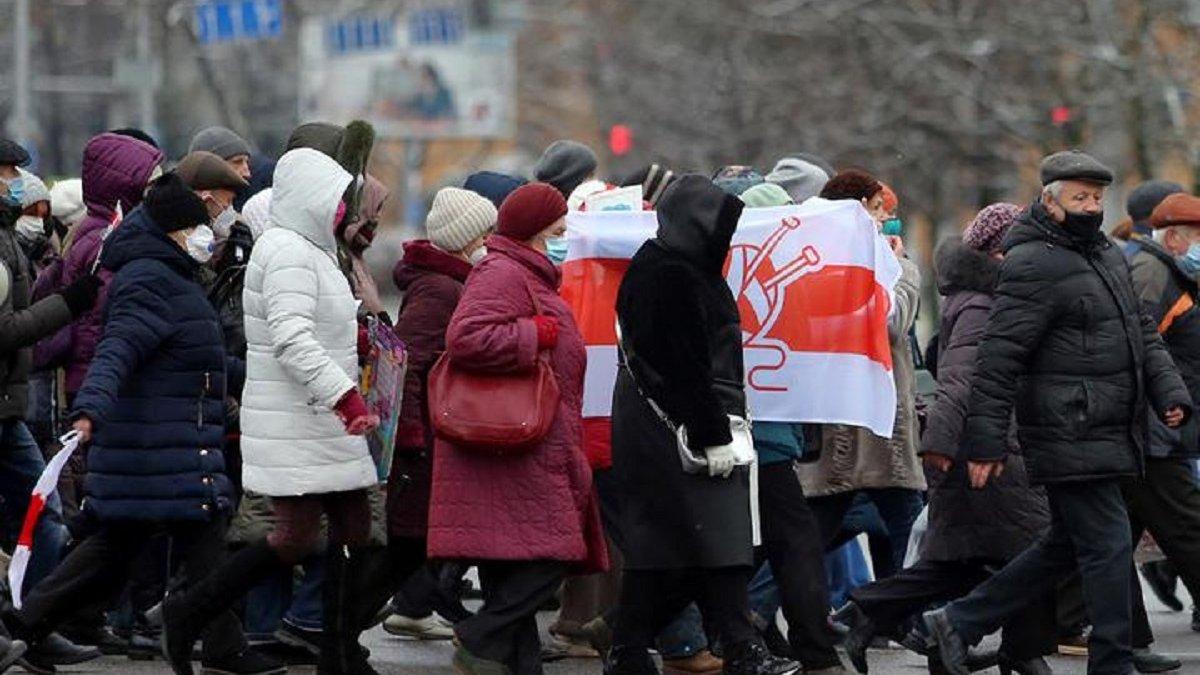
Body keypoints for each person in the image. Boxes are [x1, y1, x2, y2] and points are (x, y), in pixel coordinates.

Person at [922, 151, 1192, 675]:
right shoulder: (1031, 262)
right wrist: (986, 442)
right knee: (1110, 544)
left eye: (1096, 197)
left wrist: (1169, 394)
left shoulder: (1106, 256)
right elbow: (999, 358)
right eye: (1079, 197)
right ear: (1048, 200)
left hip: (1111, 426)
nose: (1091, 207)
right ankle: (1112, 660)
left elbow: (1139, 332)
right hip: (1067, 427)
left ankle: (957, 621)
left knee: (1065, 547)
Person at [3, 168, 282, 675]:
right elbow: (117, 350)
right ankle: (23, 627)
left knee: (158, 542)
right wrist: (89, 410)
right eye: (199, 227)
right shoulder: (149, 280)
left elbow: (202, 356)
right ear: (176, 231)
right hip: (156, 446)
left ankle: (25, 628)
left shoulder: (172, 276)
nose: (207, 236)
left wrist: (266, 381)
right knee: (133, 545)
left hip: (171, 442)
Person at [161, 147, 382, 675]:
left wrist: (357, 339)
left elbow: (316, 324)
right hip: (303, 417)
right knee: (299, 535)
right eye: (337, 201)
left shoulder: (311, 248)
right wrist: (345, 396)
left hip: (317, 416)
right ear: (312, 198)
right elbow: (290, 336)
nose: (344, 212)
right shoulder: (287, 251)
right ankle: (189, 613)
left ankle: (337, 652)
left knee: (352, 529)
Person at [837, 204, 1055, 675]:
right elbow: (959, 379)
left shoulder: (990, 299)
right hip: (985, 451)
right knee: (1030, 553)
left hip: (992, 446)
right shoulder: (982, 304)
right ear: (998, 254)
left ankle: (869, 613)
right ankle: (1018, 651)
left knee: (970, 561)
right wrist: (940, 444)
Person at [606, 174, 799, 675]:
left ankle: (644, 647)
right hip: (680, 428)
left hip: (679, 425)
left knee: (694, 542)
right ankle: (733, 648)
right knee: (700, 540)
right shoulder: (668, 275)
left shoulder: (671, 265)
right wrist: (712, 431)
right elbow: (679, 365)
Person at [425, 182, 607, 675]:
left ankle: (506, 657)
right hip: (513, 449)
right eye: (557, 231)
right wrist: (536, 334)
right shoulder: (503, 273)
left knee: (515, 574)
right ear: (530, 233)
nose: (564, 240)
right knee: (554, 555)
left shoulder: (529, 274)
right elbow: (466, 337)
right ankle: (478, 634)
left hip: (528, 447)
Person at [736, 181, 848, 675]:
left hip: (750, 435)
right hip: (766, 437)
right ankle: (814, 649)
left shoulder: (726, 269)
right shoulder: (774, 278)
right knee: (793, 543)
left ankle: (634, 626)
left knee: (749, 545)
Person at [379, 187, 496, 640]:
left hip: (435, 430)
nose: (493, 239)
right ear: (466, 240)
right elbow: (408, 363)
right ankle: (344, 628)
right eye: (488, 231)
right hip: (426, 436)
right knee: (408, 545)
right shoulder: (439, 289)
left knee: (421, 543)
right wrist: (410, 436)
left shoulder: (452, 282)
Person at [797, 169, 925, 579]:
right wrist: (902, 269)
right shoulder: (849, 265)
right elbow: (890, 323)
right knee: (902, 525)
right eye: (875, 210)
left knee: (827, 524)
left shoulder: (819, 258)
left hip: (853, 418)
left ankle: (902, 615)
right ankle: (913, 616)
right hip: (866, 420)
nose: (881, 222)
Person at [1121, 192, 1200, 642]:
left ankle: (1127, 637)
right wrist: (1162, 399)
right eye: (1194, 238)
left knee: (1105, 542)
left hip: (1159, 426)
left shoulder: (1167, 269)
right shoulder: (1152, 272)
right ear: (1172, 237)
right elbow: (1139, 347)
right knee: (1189, 525)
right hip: (1154, 429)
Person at [60, 131, 164, 401]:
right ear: (126, 188)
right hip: (99, 380)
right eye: (151, 186)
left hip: (97, 376)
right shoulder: (107, 239)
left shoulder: (105, 232)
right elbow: (105, 314)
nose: (159, 194)